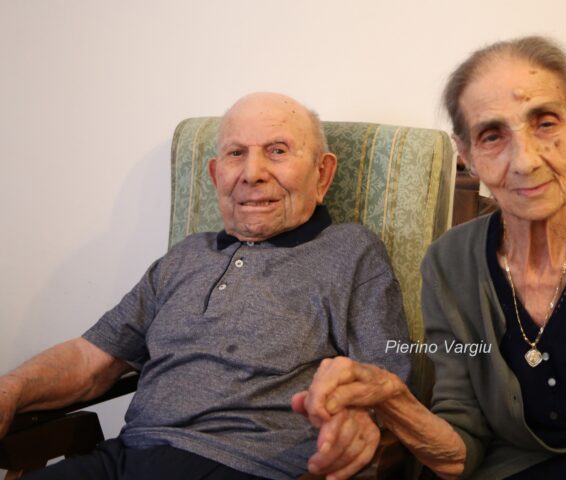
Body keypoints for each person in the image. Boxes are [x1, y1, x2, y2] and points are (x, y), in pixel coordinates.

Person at [294, 37, 566, 480]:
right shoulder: (447, 264)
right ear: (467, 155)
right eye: (492, 136)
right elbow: (461, 446)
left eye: (545, 123)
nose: (525, 160)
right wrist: (394, 402)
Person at [0, 92, 411, 480]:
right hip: (126, 459)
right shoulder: (185, 256)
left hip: (253, 467)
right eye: (236, 154)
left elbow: (388, 381)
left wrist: (356, 420)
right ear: (217, 175)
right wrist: (11, 390)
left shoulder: (352, 251)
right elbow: (92, 358)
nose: (253, 174)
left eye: (277, 151)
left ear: (323, 173)